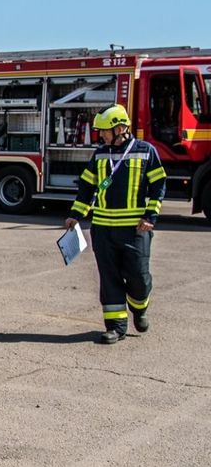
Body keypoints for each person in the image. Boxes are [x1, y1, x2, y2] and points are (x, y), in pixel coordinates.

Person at [64, 104, 165, 344]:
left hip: (135, 230)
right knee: (109, 278)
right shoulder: (100, 154)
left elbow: (159, 185)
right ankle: (116, 327)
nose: (101, 135)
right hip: (103, 229)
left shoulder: (145, 151)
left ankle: (139, 307)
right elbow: (87, 187)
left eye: (105, 131)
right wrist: (75, 215)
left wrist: (150, 217)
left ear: (120, 128)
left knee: (139, 277)